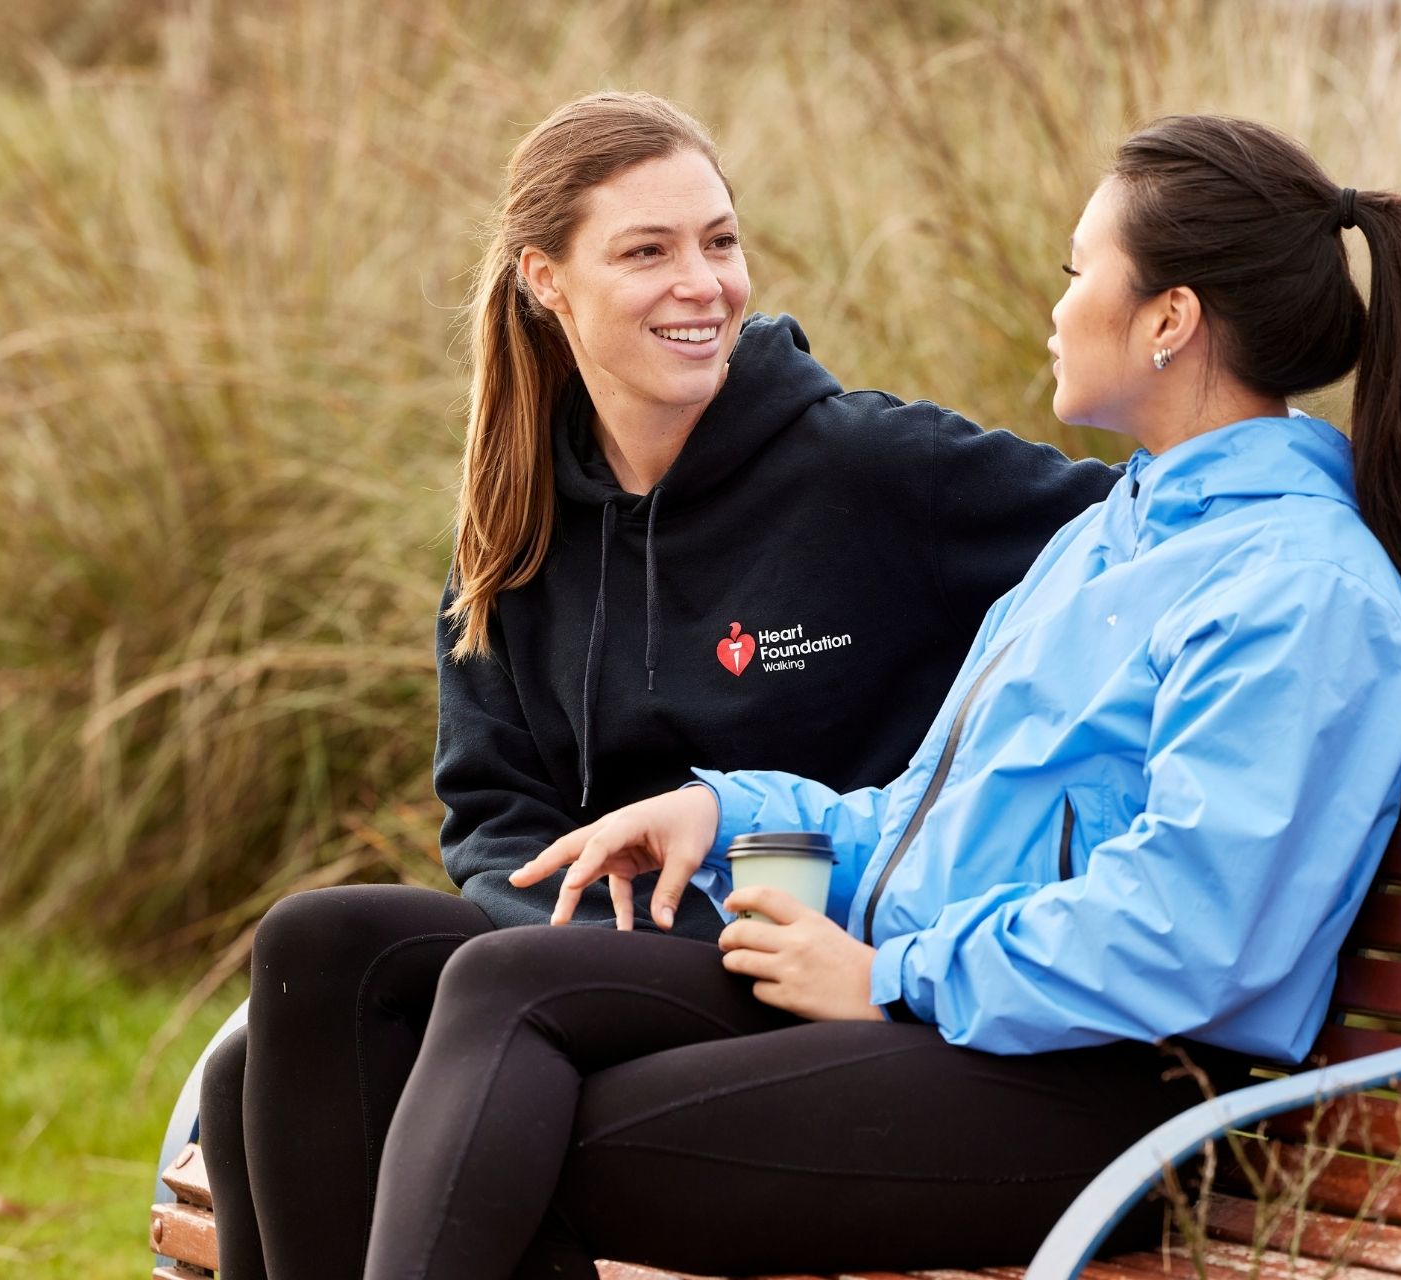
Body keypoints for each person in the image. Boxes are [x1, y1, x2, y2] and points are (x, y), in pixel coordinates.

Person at [355, 114, 1401, 1280]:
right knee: (475, 1004)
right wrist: (726, 811)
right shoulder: (1107, 543)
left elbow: (1194, 930)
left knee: (547, 1129)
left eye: (1077, 275)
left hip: (1119, 1086)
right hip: (975, 1028)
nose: (1055, 310)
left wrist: (892, 976)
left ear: (1170, 319)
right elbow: (925, 818)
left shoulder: (1296, 586)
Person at [193, 91, 1117, 1280]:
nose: (706, 283)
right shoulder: (515, 513)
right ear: (546, 280)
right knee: (311, 958)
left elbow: (1137, 539)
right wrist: (589, 935)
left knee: (408, 1047)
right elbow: (491, 818)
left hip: (801, 962)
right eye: (649, 250)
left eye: (720, 241)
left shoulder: (877, 468)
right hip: (570, 959)